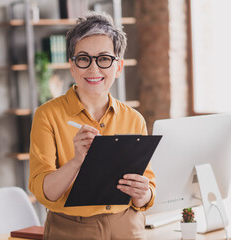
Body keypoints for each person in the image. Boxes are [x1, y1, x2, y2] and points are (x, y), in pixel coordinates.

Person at [29, 11, 155, 240]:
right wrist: (77, 160)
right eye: (84, 58)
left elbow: (147, 192)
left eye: (104, 59)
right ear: (72, 66)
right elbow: (44, 192)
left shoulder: (134, 119)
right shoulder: (47, 116)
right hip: (71, 230)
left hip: (128, 228)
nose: (94, 69)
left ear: (118, 67)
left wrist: (143, 193)